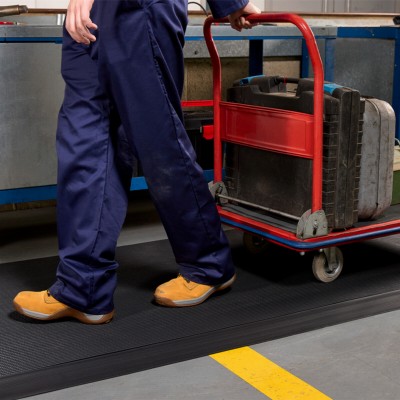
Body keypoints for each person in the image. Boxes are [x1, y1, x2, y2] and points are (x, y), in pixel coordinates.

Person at [13, 0, 261, 324]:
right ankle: (82, 285)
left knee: (158, 140)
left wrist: (230, 2)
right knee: (85, 142)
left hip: (139, 10)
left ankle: (208, 262)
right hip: (91, 14)